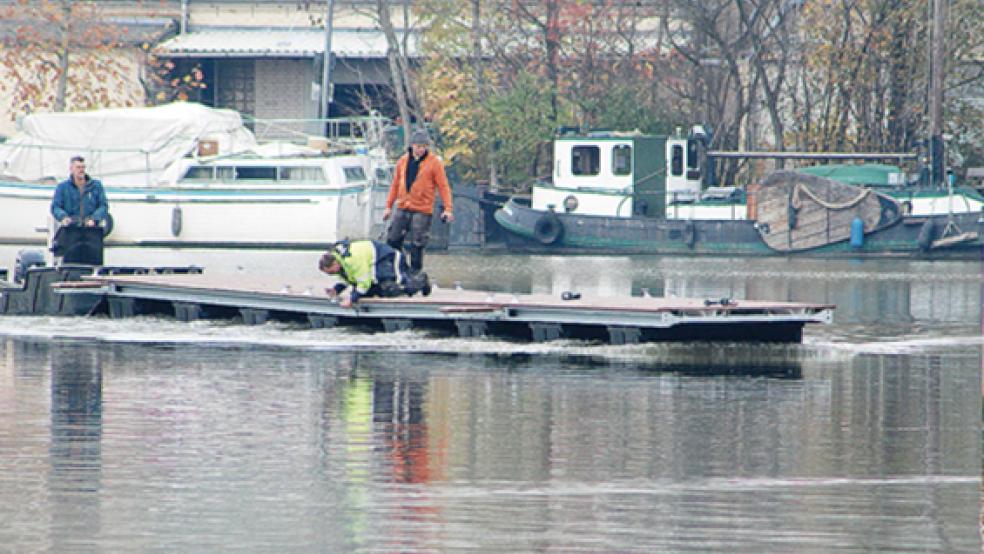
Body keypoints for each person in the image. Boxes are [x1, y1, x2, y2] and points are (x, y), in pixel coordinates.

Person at [383, 128, 454, 275]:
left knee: (418, 241)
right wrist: (388, 206)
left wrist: (448, 208)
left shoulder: (434, 163)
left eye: (423, 146)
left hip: (422, 208)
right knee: (392, 239)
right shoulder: (402, 161)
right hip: (403, 205)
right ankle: (397, 268)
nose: (421, 149)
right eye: (418, 146)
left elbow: (443, 186)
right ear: (412, 146)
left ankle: (415, 272)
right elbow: (395, 184)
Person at [318, 239, 430, 308]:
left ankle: (421, 281)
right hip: (372, 263)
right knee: (370, 292)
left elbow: (364, 282)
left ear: (334, 264)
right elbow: (347, 278)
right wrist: (336, 290)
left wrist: (352, 300)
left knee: (391, 288)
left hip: (385, 256)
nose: (333, 274)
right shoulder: (340, 261)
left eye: (332, 272)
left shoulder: (352, 260)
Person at [51, 156, 110, 228]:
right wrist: (63, 217)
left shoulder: (96, 186)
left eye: (83, 167)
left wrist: (94, 219)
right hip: (70, 229)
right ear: (71, 169)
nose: (81, 170)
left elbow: (103, 205)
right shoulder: (62, 187)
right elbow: (55, 207)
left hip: (91, 228)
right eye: (78, 167)